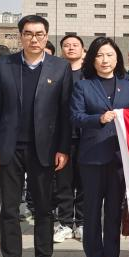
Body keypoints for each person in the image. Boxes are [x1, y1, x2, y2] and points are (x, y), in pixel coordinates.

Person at [0, 15, 73, 257]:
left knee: (44, 208)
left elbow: (65, 112)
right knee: (9, 209)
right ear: (20, 36)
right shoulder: (4, 65)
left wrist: (63, 148)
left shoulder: (60, 67)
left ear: (46, 36)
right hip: (10, 147)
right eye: (28, 34)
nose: (34, 39)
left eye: (39, 34)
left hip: (44, 148)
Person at [70, 37, 129, 257]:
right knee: (91, 211)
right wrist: (97, 119)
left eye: (109, 55)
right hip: (92, 157)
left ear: (117, 58)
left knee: (113, 213)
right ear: (92, 59)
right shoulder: (83, 86)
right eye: (99, 55)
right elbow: (75, 117)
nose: (105, 60)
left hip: (119, 158)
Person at [53, 35, 85, 244]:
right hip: (62, 136)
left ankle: (82, 222)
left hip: (85, 136)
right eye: (66, 45)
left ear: (83, 49)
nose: (71, 48)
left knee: (84, 182)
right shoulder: (56, 73)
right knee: (63, 182)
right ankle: (64, 222)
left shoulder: (89, 74)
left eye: (75, 45)